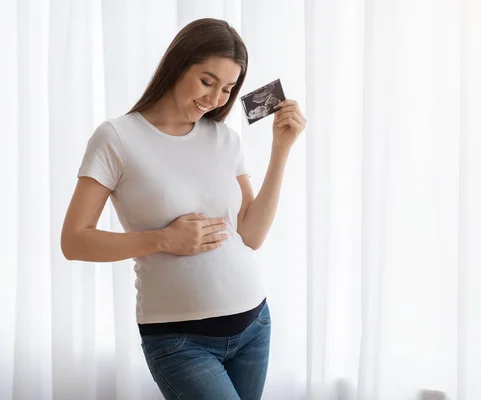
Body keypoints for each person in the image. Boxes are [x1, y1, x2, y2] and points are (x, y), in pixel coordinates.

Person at [61, 18, 306, 400]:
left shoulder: (225, 139)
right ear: (177, 65)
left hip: (254, 324)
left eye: (227, 89)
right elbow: (74, 242)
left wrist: (281, 150)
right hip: (179, 340)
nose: (215, 98)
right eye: (207, 81)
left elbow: (252, 235)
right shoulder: (117, 138)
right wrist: (162, 239)